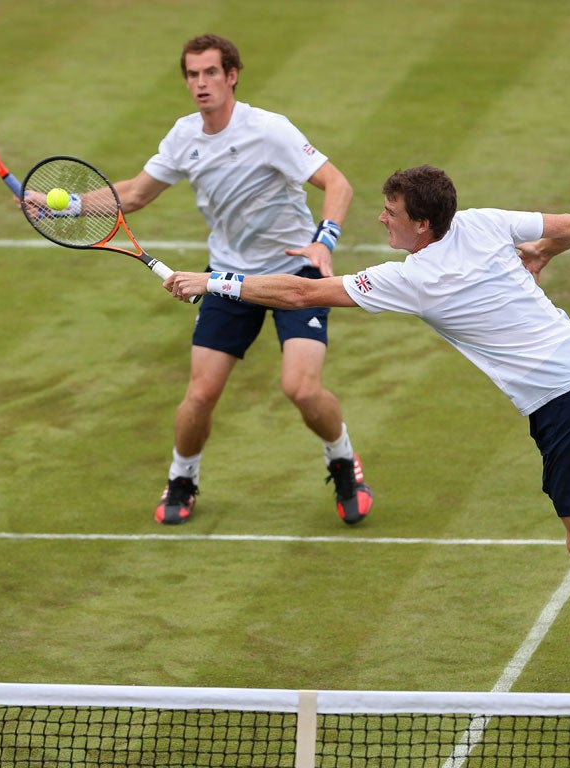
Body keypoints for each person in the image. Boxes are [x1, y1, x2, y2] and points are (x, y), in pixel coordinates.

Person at [165, 164, 570, 736]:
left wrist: (213, 282)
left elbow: (302, 294)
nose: (381, 218)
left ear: (423, 224)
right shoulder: (485, 223)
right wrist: (542, 252)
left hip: (566, 400)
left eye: (392, 212)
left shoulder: (413, 279)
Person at [108, 34, 372, 525]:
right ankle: (181, 477)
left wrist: (324, 240)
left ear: (231, 76)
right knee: (201, 394)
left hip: (296, 274)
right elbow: (135, 194)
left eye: (211, 72)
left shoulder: (269, 130)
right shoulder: (184, 136)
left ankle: (342, 460)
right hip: (227, 277)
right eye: (192, 74)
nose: (201, 83)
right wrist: (66, 205)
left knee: (301, 388)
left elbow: (338, 183)